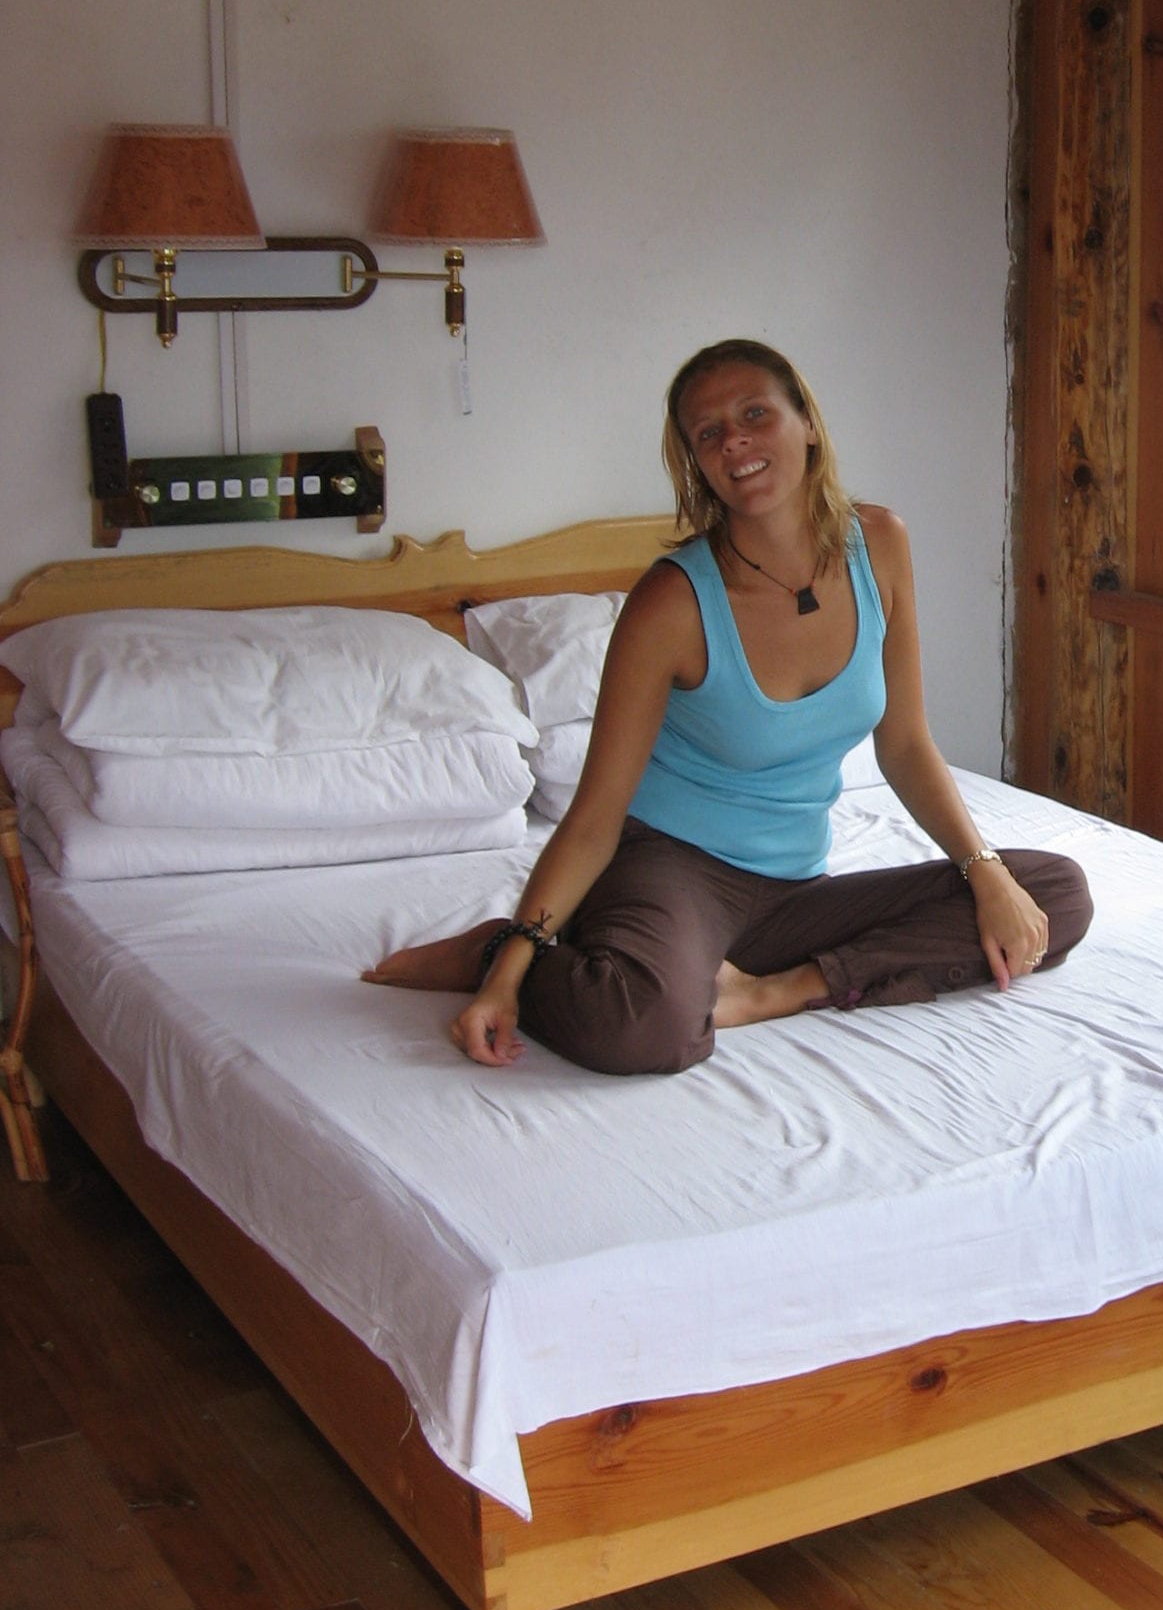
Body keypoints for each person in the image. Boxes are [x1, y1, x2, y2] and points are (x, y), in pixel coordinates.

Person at [366, 339, 1092, 1070]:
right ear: (696, 462)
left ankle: (777, 991)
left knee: (1051, 894)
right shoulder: (672, 601)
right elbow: (594, 817)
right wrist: (509, 973)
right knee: (644, 1027)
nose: (734, 441)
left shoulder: (880, 544)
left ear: (807, 421)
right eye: (708, 433)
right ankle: (500, 946)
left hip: (793, 890)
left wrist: (983, 869)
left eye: (754, 414)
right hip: (667, 870)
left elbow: (903, 744)